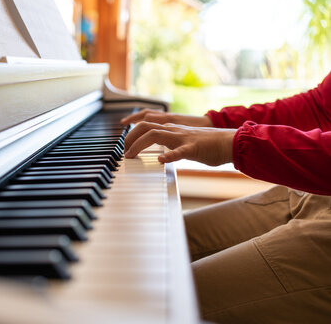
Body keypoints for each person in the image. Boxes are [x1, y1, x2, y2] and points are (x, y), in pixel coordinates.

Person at [120, 71, 331, 323]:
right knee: (147, 250)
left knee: (153, 300)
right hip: (312, 191)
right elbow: (320, 106)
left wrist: (231, 143)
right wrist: (211, 123)